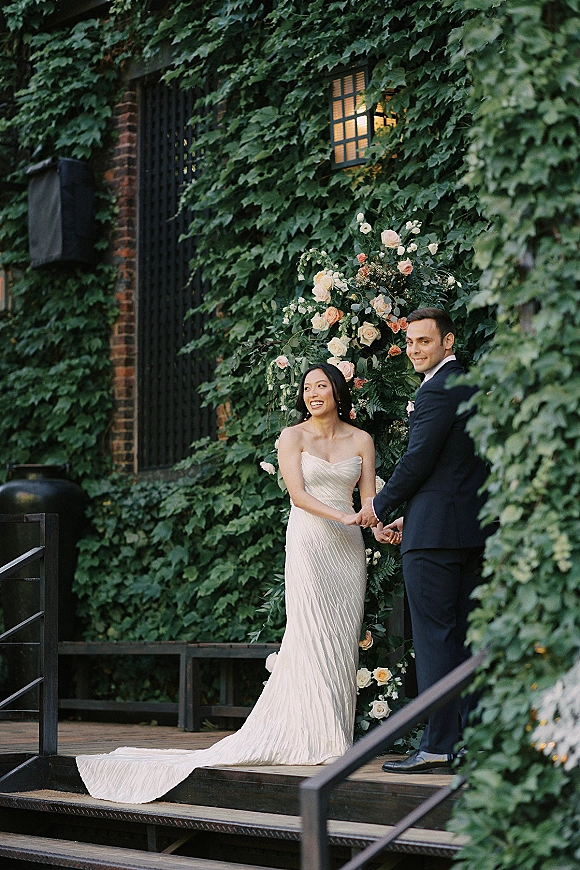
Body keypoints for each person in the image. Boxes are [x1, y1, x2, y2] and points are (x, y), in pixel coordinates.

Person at [76, 363, 378, 803]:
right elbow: (298, 495)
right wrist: (346, 515)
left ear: (337, 390)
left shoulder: (361, 440)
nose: (314, 393)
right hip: (312, 541)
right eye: (307, 387)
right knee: (310, 633)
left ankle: (335, 735)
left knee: (341, 637)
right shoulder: (292, 437)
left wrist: (376, 521)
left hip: (348, 550)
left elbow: (368, 497)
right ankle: (314, 735)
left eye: (322, 386)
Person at [358, 307, 491, 773]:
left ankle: (437, 744)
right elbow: (454, 469)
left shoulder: (436, 390)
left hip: (434, 541)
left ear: (447, 342)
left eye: (424, 342)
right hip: (469, 533)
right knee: (468, 638)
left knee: (435, 640)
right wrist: (409, 519)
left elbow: (417, 463)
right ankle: (472, 741)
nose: (414, 349)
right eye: (410, 341)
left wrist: (379, 508)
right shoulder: (470, 385)